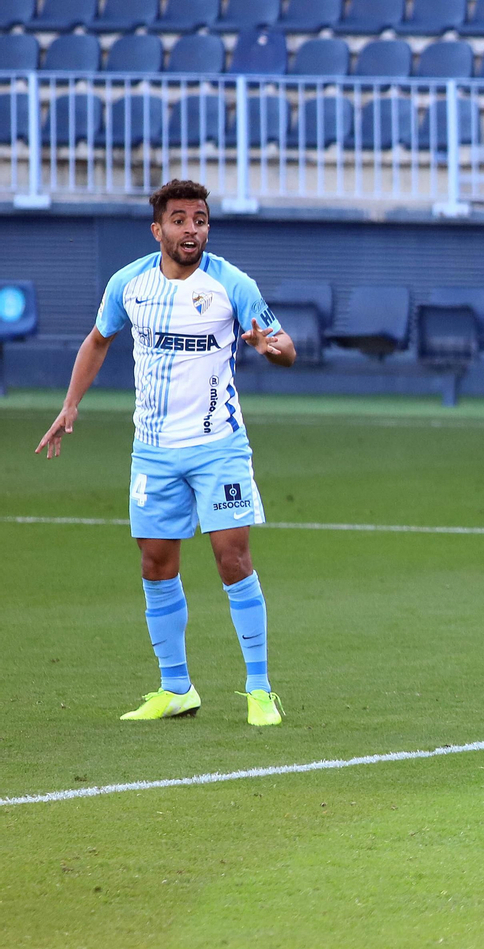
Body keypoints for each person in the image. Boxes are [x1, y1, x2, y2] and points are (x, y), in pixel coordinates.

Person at [34, 179, 296, 726]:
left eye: (199, 219)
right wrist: (70, 406)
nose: (191, 229)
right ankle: (176, 688)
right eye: (179, 220)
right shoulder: (129, 284)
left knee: (233, 558)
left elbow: (285, 345)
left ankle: (260, 690)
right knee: (156, 563)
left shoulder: (231, 283)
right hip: (152, 452)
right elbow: (98, 340)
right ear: (159, 229)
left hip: (218, 445)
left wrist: (271, 348)